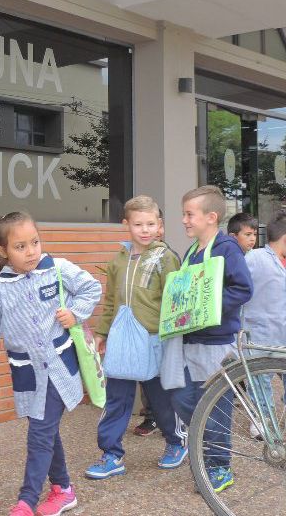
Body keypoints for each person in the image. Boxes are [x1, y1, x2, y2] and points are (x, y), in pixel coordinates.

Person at [0, 212, 102, 516]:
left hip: (60, 368)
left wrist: (75, 313)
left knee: (39, 433)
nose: (31, 252)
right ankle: (63, 489)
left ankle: (26, 501)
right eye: (21, 246)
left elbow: (92, 288)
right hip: (28, 375)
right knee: (46, 431)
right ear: (3, 251)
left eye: (35, 242)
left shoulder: (57, 269)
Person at [159, 185, 253, 493]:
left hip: (216, 344)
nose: (184, 220)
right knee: (181, 398)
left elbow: (243, 289)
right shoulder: (191, 253)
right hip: (188, 342)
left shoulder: (227, 248)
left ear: (211, 217)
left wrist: (206, 308)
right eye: (183, 214)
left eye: (189, 214)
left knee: (216, 407)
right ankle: (206, 451)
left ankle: (220, 467)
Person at [86, 195, 185, 479]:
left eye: (150, 223)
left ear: (160, 225)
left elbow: (175, 299)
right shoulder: (118, 261)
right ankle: (111, 454)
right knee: (116, 397)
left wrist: (173, 335)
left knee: (160, 397)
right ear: (126, 224)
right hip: (121, 340)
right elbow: (109, 302)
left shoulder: (166, 258)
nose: (145, 229)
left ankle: (176, 442)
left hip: (154, 339)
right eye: (138, 224)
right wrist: (103, 332)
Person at [240, 211, 286, 434]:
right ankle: (262, 418)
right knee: (260, 379)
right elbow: (239, 292)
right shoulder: (253, 258)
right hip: (262, 334)